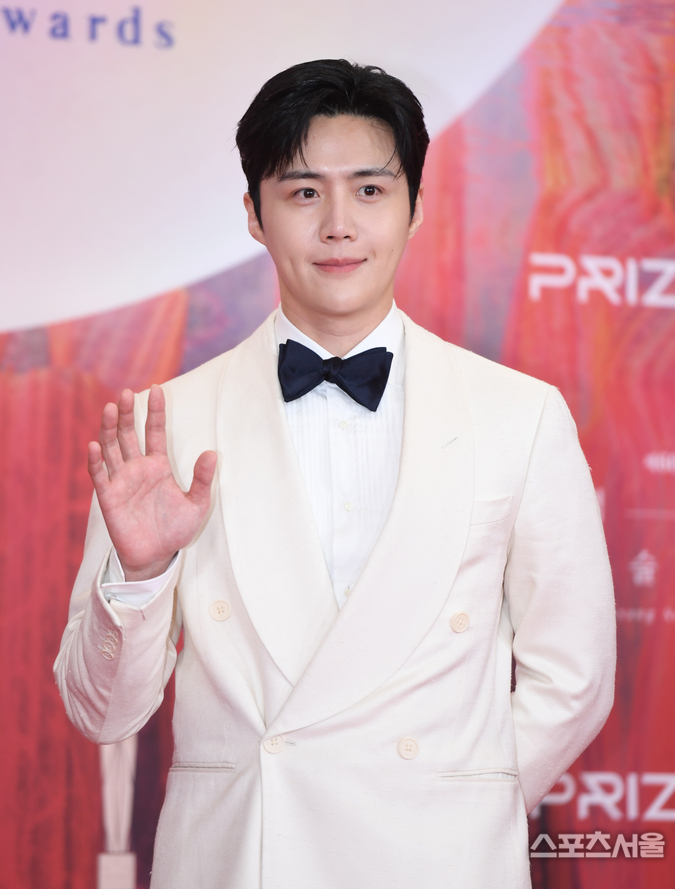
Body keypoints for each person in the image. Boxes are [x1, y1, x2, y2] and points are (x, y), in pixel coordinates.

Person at [54, 59, 616, 889]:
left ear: (415, 207)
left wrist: (460, 802)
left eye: (370, 190)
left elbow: (575, 674)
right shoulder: (165, 422)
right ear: (254, 214)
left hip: (439, 862)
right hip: (242, 861)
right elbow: (100, 712)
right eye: (304, 192)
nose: (339, 226)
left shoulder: (519, 415)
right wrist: (139, 576)